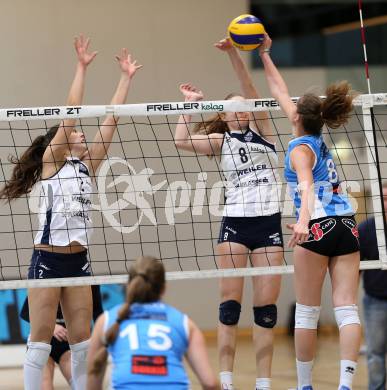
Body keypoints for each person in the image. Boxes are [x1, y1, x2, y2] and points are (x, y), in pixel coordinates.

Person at [0, 34, 142, 390]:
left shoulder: (86, 165)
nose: (80, 134)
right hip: (47, 260)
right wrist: (81, 69)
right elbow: (70, 112)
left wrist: (125, 79)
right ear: (60, 143)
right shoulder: (52, 163)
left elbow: (111, 122)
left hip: (79, 261)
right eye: (75, 132)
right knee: (41, 341)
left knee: (81, 342)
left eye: (79, 133)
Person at [174, 37, 284, 390]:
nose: (241, 110)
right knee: (229, 307)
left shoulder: (264, 133)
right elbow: (180, 141)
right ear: (223, 115)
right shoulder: (222, 141)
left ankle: (264, 383)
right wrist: (188, 106)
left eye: (244, 106)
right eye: (233, 107)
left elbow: (250, 87)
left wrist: (235, 55)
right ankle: (226, 381)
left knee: (266, 311)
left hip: (268, 225)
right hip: (235, 226)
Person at [259, 34, 361, 390]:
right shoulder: (314, 137)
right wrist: (265, 55)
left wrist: (302, 222)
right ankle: (346, 384)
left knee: (307, 312)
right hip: (346, 224)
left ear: (297, 117)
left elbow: (305, 185)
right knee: (347, 308)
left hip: (316, 227)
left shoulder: (300, 149)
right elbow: (278, 89)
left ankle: (305, 386)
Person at [87, 256, 218, 390]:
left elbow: (92, 379)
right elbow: (210, 384)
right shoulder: (184, 323)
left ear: (129, 284)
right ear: (163, 288)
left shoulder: (106, 320)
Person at [20, 285, 103, 390]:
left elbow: (97, 312)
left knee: (82, 384)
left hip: (68, 343)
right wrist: (53, 326)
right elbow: (25, 312)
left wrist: (101, 339)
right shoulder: (44, 277)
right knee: (45, 385)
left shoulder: (87, 280)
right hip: (42, 340)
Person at [359, 182, 387, 390]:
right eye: (383, 198)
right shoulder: (366, 229)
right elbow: (354, 268)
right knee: (375, 352)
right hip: (375, 300)